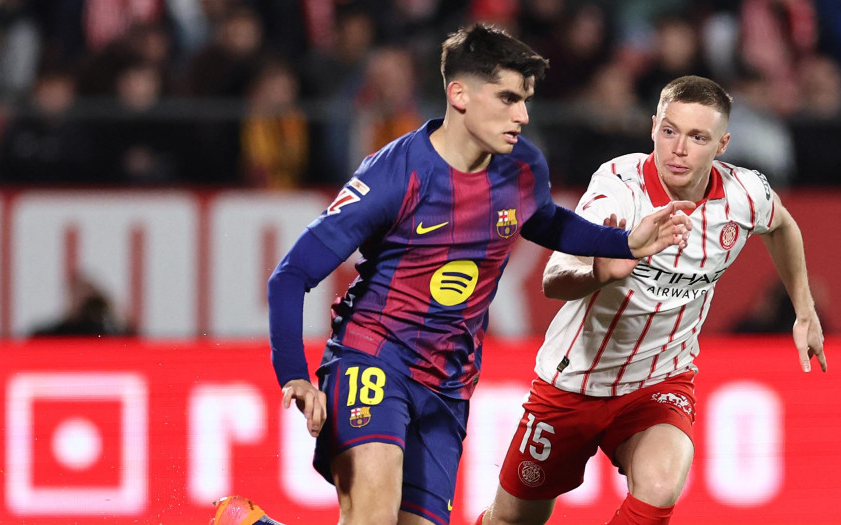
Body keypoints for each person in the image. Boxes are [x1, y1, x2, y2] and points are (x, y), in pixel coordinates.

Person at [267, 24, 694, 525]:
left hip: (448, 387)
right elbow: (291, 274)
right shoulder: (394, 174)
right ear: (460, 95)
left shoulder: (523, 168)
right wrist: (295, 375)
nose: (523, 115)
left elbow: (547, 221)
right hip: (373, 358)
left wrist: (624, 243)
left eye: (526, 100)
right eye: (509, 98)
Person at [477, 75, 827, 525]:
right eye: (669, 130)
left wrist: (805, 310)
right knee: (513, 519)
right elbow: (555, 278)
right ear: (652, 128)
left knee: (660, 487)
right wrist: (601, 270)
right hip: (574, 383)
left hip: (660, 380)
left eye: (697, 137)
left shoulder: (744, 194)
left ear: (722, 145)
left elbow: (782, 225)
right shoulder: (619, 189)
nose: (679, 149)